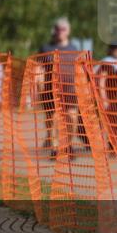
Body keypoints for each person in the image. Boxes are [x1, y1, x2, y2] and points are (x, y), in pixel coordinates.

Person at [37, 17, 84, 158]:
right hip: (51, 90)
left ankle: (68, 145)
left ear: (68, 31)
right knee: (54, 119)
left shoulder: (74, 49)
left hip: (70, 90)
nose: (60, 32)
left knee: (72, 119)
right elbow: (39, 69)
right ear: (54, 30)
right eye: (58, 28)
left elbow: (79, 69)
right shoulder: (46, 48)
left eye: (63, 29)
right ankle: (56, 148)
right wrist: (38, 88)